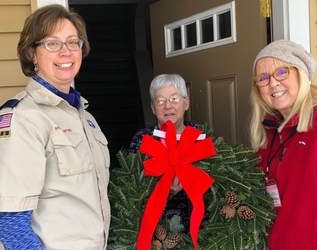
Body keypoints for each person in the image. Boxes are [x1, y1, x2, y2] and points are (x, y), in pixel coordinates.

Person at [0, 4, 110, 250]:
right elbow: (10, 222)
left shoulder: (84, 116)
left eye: (73, 42)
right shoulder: (24, 118)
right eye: (52, 43)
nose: (66, 51)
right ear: (32, 53)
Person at [250, 40, 317, 250]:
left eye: (281, 72)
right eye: (263, 78)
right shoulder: (267, 134)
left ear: (301, 73)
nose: (273, 83)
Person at [128, 73, 203, 231]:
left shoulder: (201, 136)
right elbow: (131, 188)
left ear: (186, 103)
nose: (168, 106)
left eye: (174, 99)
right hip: (157, 231)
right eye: (161, 101)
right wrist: (165, 190)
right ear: (153, 108)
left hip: (201, 229)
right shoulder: (143, 139)